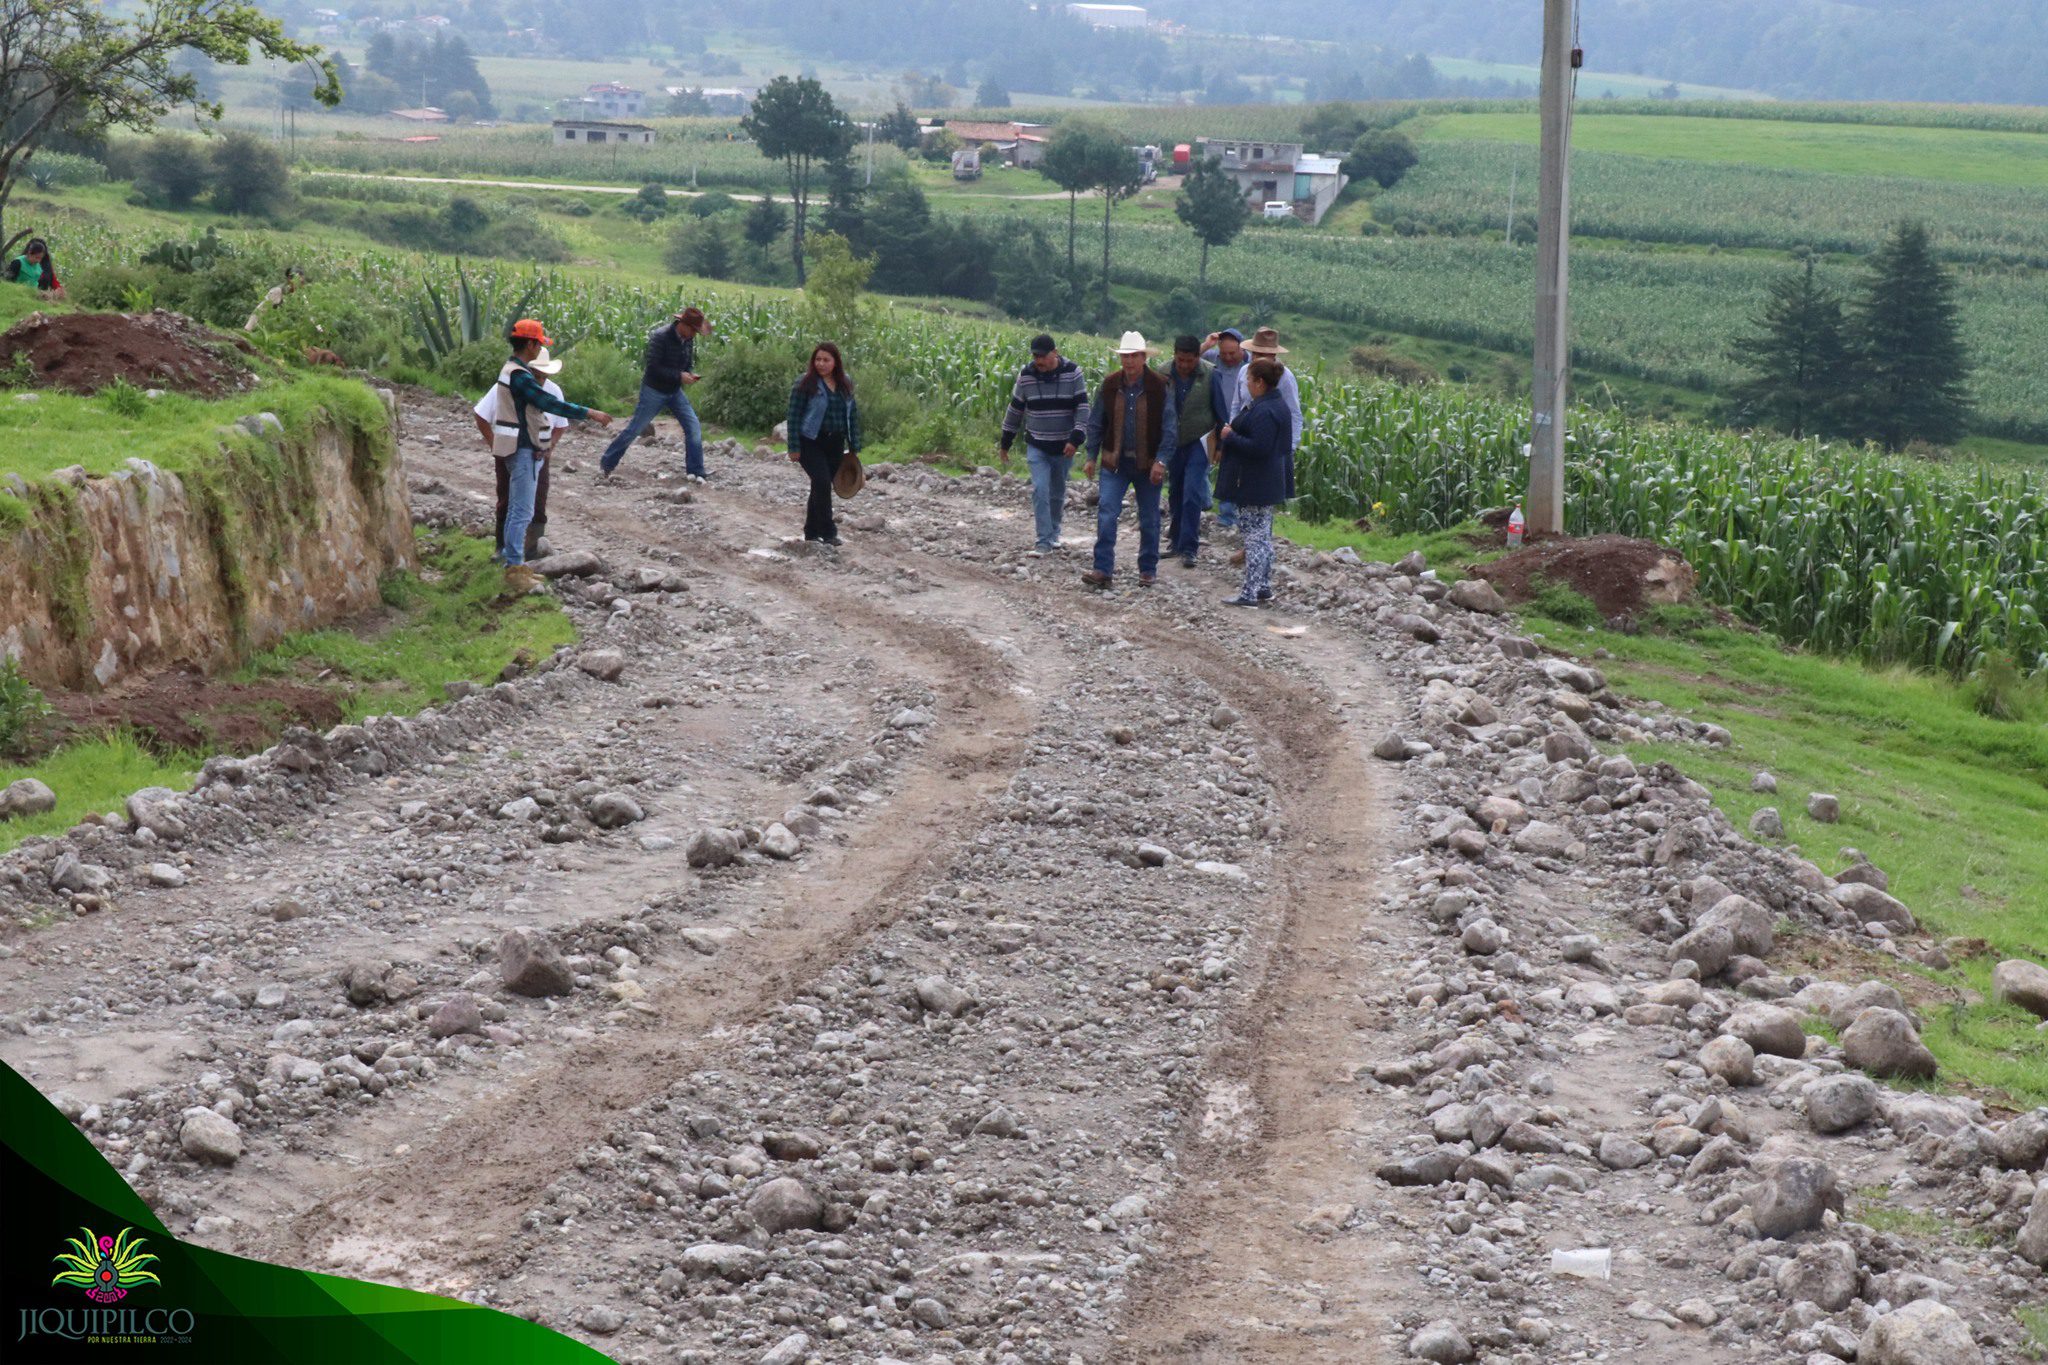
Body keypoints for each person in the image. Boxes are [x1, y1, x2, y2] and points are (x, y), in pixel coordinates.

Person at [496, 319, 612, 592]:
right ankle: (513, 569)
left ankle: (515, 564)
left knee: (517, 510)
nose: (540, 349)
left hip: (519, 446)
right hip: (522, 447)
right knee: (522, 511)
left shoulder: (513, 370)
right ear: (531, 344)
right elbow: (548, 403)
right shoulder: (519, 376)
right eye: (539, 344)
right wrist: (589, 413)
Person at [1080, 331, 1176, 590]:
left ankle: (1147, 569)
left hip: (1148, 464)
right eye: (1125, 356)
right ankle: (1102, 569)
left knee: (1149, 518)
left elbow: (1170, 429)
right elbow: (1096, 422)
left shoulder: (1160, 386)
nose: (1129, 361)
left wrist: (1161, 461)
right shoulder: (1110, 385)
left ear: (1144, 358)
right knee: (1107, 513)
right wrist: (1091, 455)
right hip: (1115, 461)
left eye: (1134, 356)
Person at [997, 333, 1090, 556]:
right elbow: (1015, 409)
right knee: (1040, 489)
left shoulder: (1073, 373)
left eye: (1043, 356)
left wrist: (1075, 439)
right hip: (1037, 443)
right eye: (1035, 356)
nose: (1038, 361)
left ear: (1054, 353)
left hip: (1064, 446)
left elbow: (1083, 408)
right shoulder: (1026, 376)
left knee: (1057, 493)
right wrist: (1005, 442)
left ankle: (1054, 534)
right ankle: (1043, 541)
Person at [474, 344, 567, 561]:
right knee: (507, 500)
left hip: (538, 454)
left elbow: (561, 424)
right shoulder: (506, 386)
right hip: (509, 451)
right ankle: (504, 551)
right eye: (537, 375)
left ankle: (531, 550)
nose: (541, 380)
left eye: (544, 376)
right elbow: (481, 415)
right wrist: (495, 445)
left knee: (538, 501)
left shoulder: (553, 390)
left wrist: (549, 448)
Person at [1215, 358, 1294, 607]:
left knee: (1254, 539)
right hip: (1267, 483)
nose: (1246, 383)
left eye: (1249, 379)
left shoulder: (1264, 411)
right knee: (1262, 537)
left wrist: (1230, 436)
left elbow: (1259, 447)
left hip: (1254, 485)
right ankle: (1263, 588)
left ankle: (1249, 593)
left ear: (1259, 382)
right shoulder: (1276, 405)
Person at [600, 305, 712, 480]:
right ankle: (607, 463)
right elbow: (653, 368)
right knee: (634, 429)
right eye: (694, 331)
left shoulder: (688, 339)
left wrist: (688, 373)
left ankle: (696, 472)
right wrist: (679, 376)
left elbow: (687, 361)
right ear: (683, 324)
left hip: (674, 391)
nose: (694, 335)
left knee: (694, 427)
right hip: (654, 390)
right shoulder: (660, 337)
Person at [785, 342, 862, 546]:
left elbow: (852, 414)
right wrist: (793, 447)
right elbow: (793, 416)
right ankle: (829, 532)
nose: (821, 364)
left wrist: (854, 443)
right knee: (821, 482)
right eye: (818, 359)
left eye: (826, 360)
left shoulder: (845, 383)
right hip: (810, 441)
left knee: (820, 485)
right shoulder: (805, 383)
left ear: (835, 362)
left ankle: (811, 532)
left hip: (835, 442)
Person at [1163, 334, 1220, 569]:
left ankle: (1189, 548)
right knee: (1175, 491)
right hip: (1172, 441)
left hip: (1199, 441)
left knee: (1192, 493)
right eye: (1180, 360)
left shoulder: (1210, 374)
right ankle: (1175, 541)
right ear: (1175, 356)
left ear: (1198, 357)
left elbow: (1220, 409)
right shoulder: (1163, 373)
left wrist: (1220, 445)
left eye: (1189, 361)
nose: (1184, 365)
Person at [1201, 327, 1248, 531]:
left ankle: (1228, 515)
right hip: (1213, 421)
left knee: (1233, 469)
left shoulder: (1252, 363)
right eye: (1224, 353)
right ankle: (1204, 502)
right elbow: (1186, 360)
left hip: (1239, 423)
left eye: (1232, 353)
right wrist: (1206, 344)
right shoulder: (1212, 356)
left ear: (1242, 349)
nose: (1228, 358)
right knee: (1202, 461)